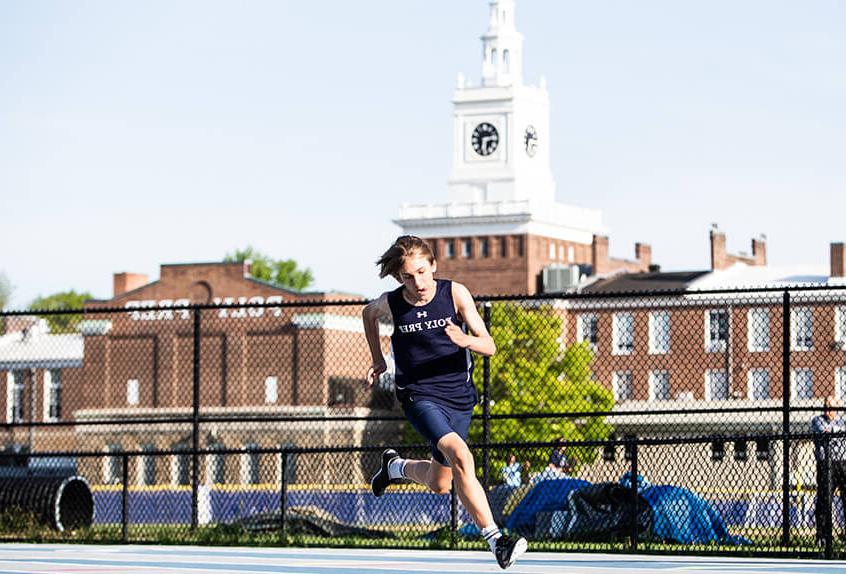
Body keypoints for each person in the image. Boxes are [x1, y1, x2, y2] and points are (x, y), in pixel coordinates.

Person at [362, 235, 527, 570]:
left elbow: (489, 345)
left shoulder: (454, 293)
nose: (418, 282)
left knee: (441, 483)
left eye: (423, 272)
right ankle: (497, 540)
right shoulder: (392, 303)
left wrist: (464, 338)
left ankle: (395, 467)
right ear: (399, 278)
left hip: (459, 398)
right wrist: (378, 359)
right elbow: (368, 314)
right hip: (419, 396)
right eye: (409, 276)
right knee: (462, 454)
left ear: (434, 266)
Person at [811, 396, 846, 544]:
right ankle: (823, 536)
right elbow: (824, 432)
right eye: (826, 406)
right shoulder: (817, 420)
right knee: (825, 500)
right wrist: (837, 433)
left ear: (837, 408)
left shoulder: (842, 421)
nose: (828, 409)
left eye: (831, 406)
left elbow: (832, 433)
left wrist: (833, 432)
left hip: (843, 463)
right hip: (826, 463)